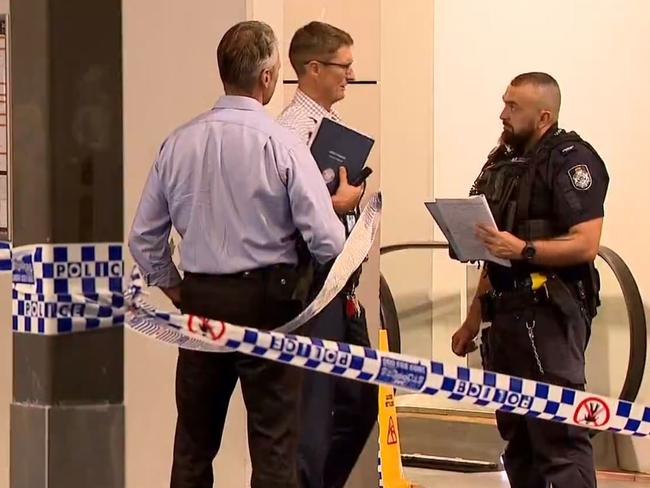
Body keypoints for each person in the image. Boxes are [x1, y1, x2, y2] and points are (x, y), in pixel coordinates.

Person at [128, 21, 345, 488]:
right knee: (272, 447)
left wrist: (180, 292)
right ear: (267, 78)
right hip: (272, 304)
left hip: (201, 302)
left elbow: (144, 240)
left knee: (192, 444)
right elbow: (328, 240)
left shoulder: (178, 142)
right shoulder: (282, 143)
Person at [451, 72, 608, 488]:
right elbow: (494, 250)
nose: (502, 114)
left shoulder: (572, 160)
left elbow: (586, 243)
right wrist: (473, 319)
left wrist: (523, 250)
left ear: (542, 117)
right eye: (503, 103)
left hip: (549, 315)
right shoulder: (503, 162)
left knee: (559, 437)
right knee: (517, 437)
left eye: (512, 107)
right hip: (505, 317)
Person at [277, 21, 378, 488]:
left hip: (342, 286)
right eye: (344, 65)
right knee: (312, 416)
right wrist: (336, 205)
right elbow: (284, 212)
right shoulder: (288, 134)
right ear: (312, 69)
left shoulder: (334, 129)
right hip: (310, 285)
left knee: (361, 400)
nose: (351, 75)